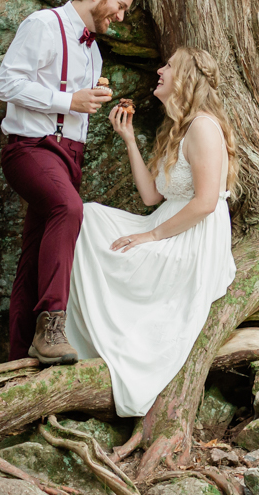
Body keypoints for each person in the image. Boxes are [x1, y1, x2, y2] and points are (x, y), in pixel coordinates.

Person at [65, 47, 238, 418]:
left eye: (169, 66)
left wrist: (153, 237)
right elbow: (151, 196)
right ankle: (84, 345)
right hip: (164, 222)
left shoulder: (204, 127)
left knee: (121, 248)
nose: (160, 70)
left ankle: (115, 350)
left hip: (192, 237)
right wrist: (128, 138)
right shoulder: (180, 129)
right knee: (89, 216)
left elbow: (206, 202)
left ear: (187, 77)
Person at [0, 0, 140, 364]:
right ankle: (52, 326)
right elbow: (5, 83)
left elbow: (75, 111)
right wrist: (68, 101)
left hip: (69, 157)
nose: (121, 15)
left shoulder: (93, 51)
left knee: (33, 253)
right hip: (31, 148)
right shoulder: (43, 25)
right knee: (68, 208)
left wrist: (93, 108)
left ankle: (16, 357)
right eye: (120, 5)